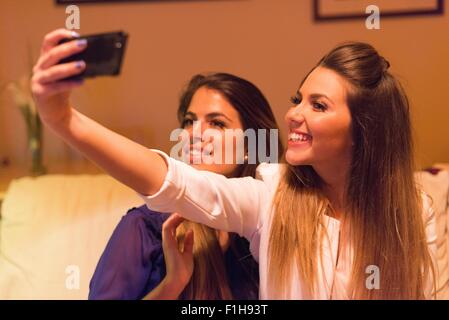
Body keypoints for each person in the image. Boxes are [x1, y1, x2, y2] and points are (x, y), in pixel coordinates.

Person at [32, 29, 437, 299]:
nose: (295, 114)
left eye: (318, 105)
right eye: (297, 100)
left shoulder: (415, 213)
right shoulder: (269, 199)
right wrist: (62, 120)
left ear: (363, 130)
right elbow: (170, 181)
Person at [88, 72, 283, 300]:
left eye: (217, 123)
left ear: (251, 145)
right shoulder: (145, 227)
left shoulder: (259, 236)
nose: (194, 134)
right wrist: (173, 283)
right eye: (189, 121)